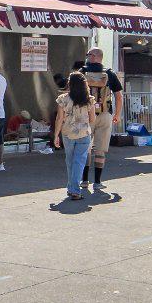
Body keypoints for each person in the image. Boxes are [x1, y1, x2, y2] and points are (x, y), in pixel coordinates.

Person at [80, 48, 124, 193]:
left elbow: (71, 92)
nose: (87, 57)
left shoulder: (81, 71)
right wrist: (117, 114)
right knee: (100, 149)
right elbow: (118, 96)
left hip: (86, 114)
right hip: (105, 114)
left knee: (85, 149)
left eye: (89, 55)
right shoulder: (109, 73)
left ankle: (84, 180)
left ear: (95, 57)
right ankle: (97, 182)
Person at [54, 70, 100, 200]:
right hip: (84, 133)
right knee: (79, 161)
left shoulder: (63, 99)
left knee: (70, 160)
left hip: (67, 133)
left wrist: (56, 135)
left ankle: (72, 188)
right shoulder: (90, 100)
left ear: (70, 83)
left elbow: (59, 118)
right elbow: (92, 120)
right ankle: (74, 189)